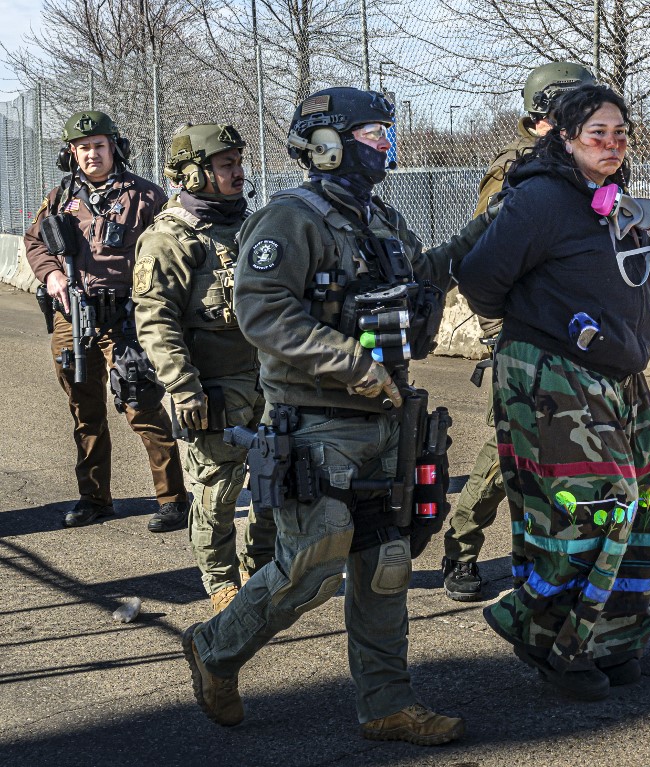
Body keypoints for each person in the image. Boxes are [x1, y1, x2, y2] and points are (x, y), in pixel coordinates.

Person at [180, 87, 490, 743]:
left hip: (385, 418)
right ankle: (215, 647)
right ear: (328, 143)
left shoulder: (379, 218)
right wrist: (355, 364)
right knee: (310, 567)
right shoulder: (290, 219)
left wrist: (486, 226)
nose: (387, 143)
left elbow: (421, 277)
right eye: (375, 132)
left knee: (386, 563)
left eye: (386, 131)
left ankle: (386, 702)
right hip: (313, 420)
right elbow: (263, 309)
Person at [456, 84, 650, 702]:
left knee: (643, 495)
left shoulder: (607, 200)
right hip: (551, 371)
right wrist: (537, 324)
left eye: (620, 132)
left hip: (615, 372)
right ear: (565, 137)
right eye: (598, 132)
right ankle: (545, 633)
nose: (612, 143)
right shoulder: (541, 198)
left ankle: (613, 637)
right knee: (594, 503)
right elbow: (478, 278)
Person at [442, 60, 596, 602]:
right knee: (508, 451)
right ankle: (461, 548)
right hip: (524, 338)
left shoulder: (587, 169)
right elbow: (484, 260)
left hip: (576, 339)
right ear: (540, 118)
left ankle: (544, 558)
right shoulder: (516, 171)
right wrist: (499, 336)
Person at [133, 123, 277, 614]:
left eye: (239, 162)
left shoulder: (255, 226)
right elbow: (155, 319)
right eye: (226, 164)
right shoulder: (169, 239)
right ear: (194, 175)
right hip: (214, 387)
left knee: (278, 479)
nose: (238, 172)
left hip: (272, 380)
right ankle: (220, 582)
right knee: (217, 488)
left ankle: (264, 568)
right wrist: (183, 387)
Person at [25, 110, 189, 531]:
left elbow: (175, 244)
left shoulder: (146, 196)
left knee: (143, 406)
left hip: (125, 318)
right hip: (71, 319)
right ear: (71, 155)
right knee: (85, 411)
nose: (91, 154)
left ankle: (173, 500)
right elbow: (34, 240)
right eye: (82, 148)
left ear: (114, 147)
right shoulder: (61, 197)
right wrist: (53, 274)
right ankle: (94, 498)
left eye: (98, 145)